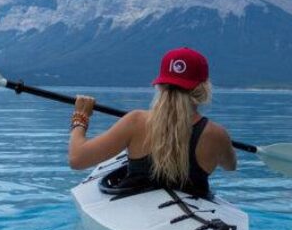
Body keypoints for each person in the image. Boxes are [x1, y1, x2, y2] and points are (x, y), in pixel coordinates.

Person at [67, 47, 236, 198]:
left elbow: (77, 159)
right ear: (203, 89)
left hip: (133, 208)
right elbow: (230, 166)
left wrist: (80, 118)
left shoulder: (136, 121)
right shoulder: (217, 134)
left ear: (160, 86)